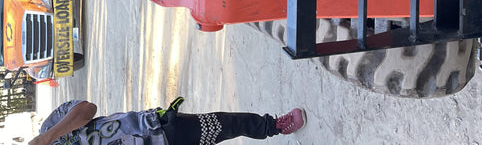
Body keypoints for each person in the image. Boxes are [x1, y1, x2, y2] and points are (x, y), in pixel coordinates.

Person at [28, 97, 306, 145]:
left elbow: (87, 109)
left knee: (223, 125)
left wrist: (49, 136)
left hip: (158, 130)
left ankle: (274, 126)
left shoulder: (50, 127)